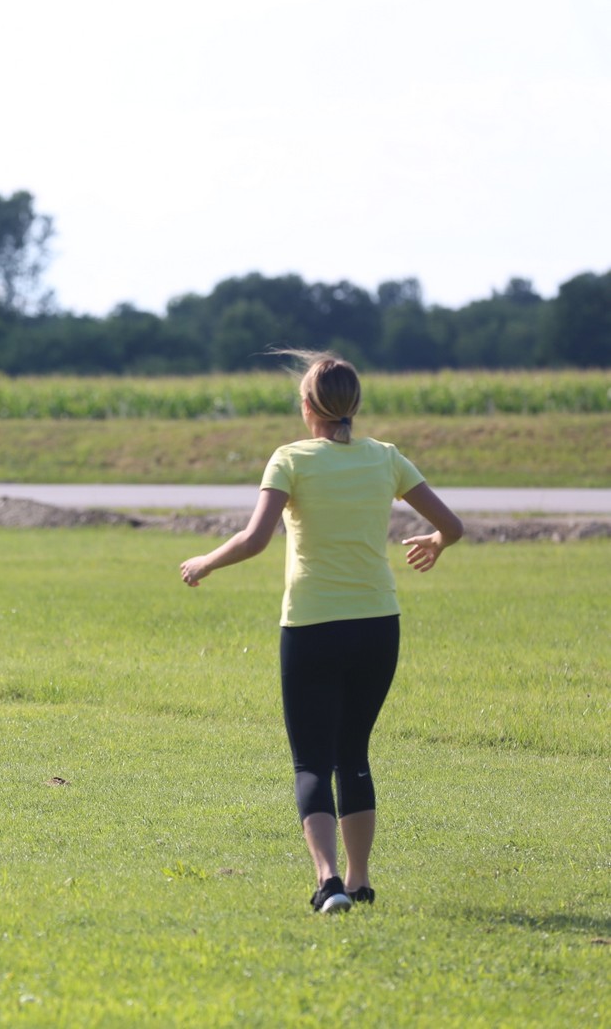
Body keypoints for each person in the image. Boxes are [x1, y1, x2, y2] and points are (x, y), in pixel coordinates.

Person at [178, 351, 463, 914]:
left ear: (308, 406)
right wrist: (434, 543)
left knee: (312, 760)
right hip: (378, 625)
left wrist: (205, 562)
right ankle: (360, 881)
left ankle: (329, 881)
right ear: (353, 407)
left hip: (312, 626)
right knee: (353, 751)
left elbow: (255, 539)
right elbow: (450, 526)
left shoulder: (290, 459)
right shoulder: (386, 458)